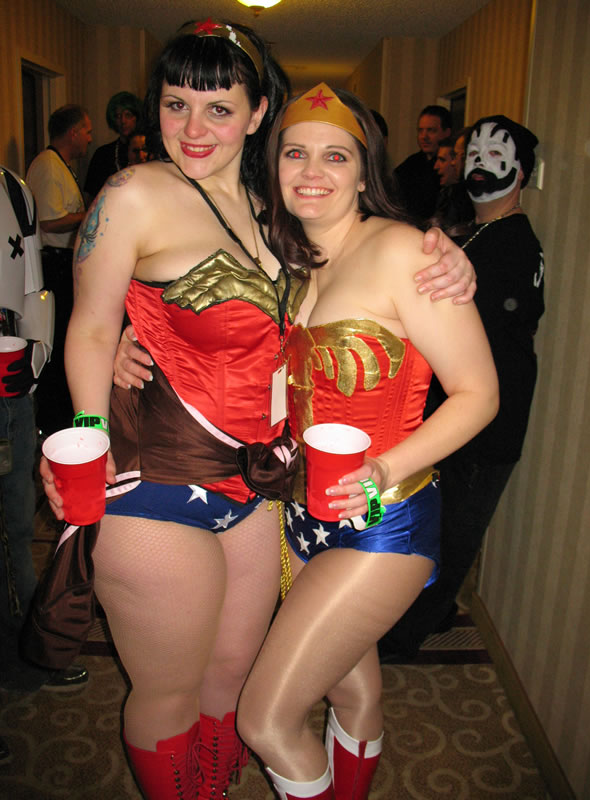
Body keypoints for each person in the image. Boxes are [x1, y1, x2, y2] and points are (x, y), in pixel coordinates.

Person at [40, 24, 476, 800]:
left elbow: (359, 260)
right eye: (176, 104)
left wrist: (449, 254)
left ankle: (212, 784)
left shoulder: (277, 208)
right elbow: (93, 326)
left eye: (219, 107)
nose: (194, 128)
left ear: (256, 114)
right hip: (158, 475)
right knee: (168, 690)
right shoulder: (132, 193)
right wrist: (91, 426)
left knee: (234, 675)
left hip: (257, 485)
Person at [233, 85, 498, 800]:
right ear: (273, 166)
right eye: (295, 153)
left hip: (385, 520)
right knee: (350, 692)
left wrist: (384, 467)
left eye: (335, 155)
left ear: (363, 171)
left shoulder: (405, 251)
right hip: (301, 515)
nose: (311, 171)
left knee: (265, 719)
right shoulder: (288, 258)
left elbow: (479, 393)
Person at [379, 115, 545, 663]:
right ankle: (433, 610)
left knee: (451, 535)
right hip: (466, 416)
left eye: (496, 155)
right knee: (442, 521)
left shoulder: (510, 242)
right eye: (473, 152)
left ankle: (404, 636)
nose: (479, 164)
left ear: (522, 172)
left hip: (486, 424)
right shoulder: (478, 232)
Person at [0, 166, 88, 708]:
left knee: (15, 530)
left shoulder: (13, 190)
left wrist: (32, 360)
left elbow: (32, 287)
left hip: (10, 386)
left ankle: (27, 654)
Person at [26, 104, 92, 435]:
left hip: (64, 262)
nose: (90, 138)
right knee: (58, 340)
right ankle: (53, 421)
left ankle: (64, 412)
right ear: (73, 132)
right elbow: (49, 222)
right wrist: (89, 214)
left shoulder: (61, 166)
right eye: (87, 131)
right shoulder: (48, 165)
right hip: (53, 264)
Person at [392, 104, 451, 223]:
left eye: (431, 130)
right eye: (420, 130)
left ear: (446, 132)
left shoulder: (451, 168)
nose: (424, 136)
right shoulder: (409, 165)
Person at [84, 91, 143, 199]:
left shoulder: (148, 152)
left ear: (136, 117)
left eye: (128, 115)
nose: (123, 121)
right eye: (118, 116)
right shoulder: (102, 155)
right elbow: (91, 197)